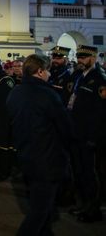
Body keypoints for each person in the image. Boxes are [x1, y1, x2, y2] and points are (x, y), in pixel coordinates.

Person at [6, 54, 73, 235]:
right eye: (48, 71)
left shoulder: (16, 92)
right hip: (47, 159)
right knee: (39, 211)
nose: (50, 75)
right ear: (40, 71)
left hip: (25, 156)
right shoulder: (48, 94)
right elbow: (65, 128)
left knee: (42, 206)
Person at [66, 44, 106, 222]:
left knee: (91, 173)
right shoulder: (80, 77)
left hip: (90, 136)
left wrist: (94, 137)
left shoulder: (99, 79)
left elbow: (101, 112)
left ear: (93, 58)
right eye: (79, 57)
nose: (80, 60)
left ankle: (93, 209)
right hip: (77, 132)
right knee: (80, 171)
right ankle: (84, 204)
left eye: (84, 57)